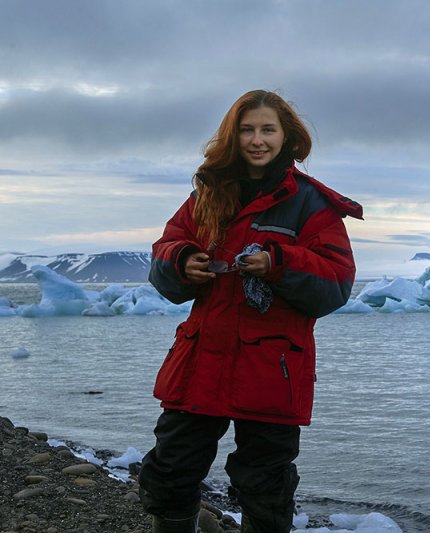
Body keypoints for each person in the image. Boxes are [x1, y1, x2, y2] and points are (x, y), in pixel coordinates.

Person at [138, 90, 362, 533]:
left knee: (266, 487)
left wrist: (280, 262)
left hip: (271, 367)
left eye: (267, 130)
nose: (256, 140)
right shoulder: (209, 194)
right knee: (171, 470)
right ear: (232, 136)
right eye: (247, 130)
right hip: (202, 360)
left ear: (287, 137)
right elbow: (164, 253)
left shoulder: (311, 204)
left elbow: (336, 282)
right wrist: (183, 260)